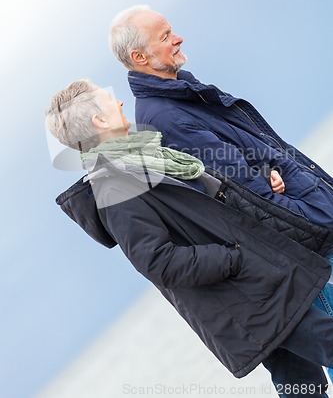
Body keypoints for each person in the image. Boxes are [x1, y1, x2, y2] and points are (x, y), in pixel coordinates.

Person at [46, 80, 333, 398]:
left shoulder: (144, 160)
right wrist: (235, 259)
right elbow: (157, 260)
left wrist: (262, 179)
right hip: (253, 297)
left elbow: (206, 208)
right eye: (110, 100)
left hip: (262, 288)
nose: (121, 104)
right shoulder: (114, 185)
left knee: (303, 387)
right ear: (100, 121)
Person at [109, 4, 333, 308]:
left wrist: (268, 170)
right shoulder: (165, 116)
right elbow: (247, 195)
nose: (178, 39)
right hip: (316, 235)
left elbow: (245, 157)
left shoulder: (180, 92)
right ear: (139, 57)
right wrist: (314, 219)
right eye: (165, 36)